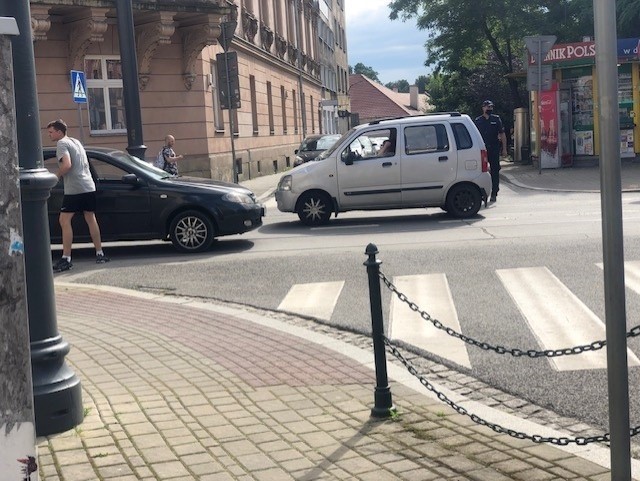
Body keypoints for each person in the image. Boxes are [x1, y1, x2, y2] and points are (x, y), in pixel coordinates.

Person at [46, 119, 110, 272]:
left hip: (75, 188)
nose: (49, 135)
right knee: (90, 217)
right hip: (88, 185)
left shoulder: (62, 144)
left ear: (59, 132)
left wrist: (56, 176)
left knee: (64, 220)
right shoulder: (76, 141)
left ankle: (66, 258)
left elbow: (67, 165)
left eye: (51, 132)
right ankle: (100, 253)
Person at [475, 100, 507, 202]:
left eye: (491, 107)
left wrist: (504, 149)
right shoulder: (478, 121)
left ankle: (494, 192)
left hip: (494, 148)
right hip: (482, 150)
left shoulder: (496, 119)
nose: (489, 109)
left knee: (495, 171)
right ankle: (482, 192)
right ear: (483, 108)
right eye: (487, 107)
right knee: (480, 171)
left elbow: (502, 134)